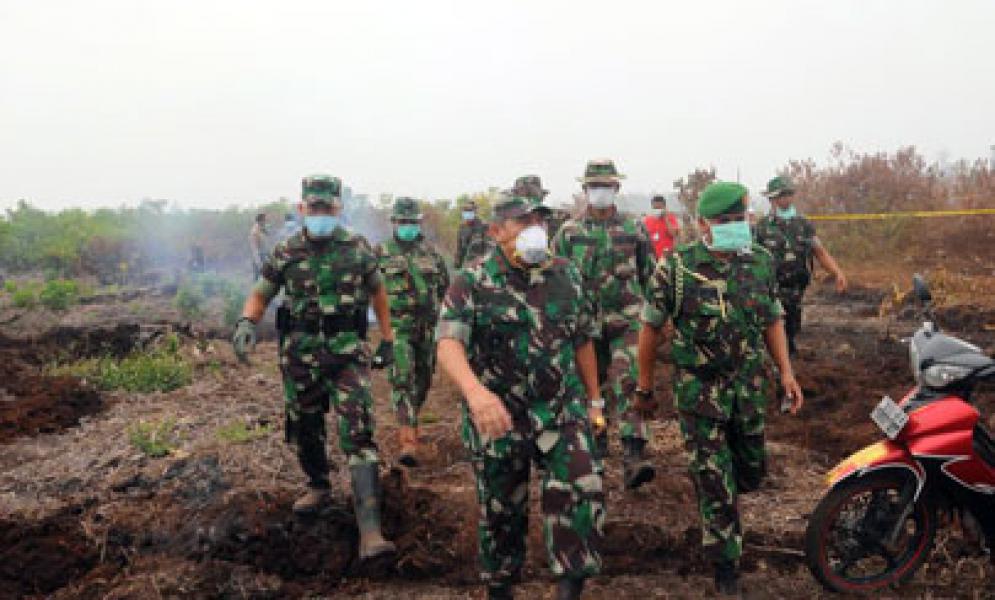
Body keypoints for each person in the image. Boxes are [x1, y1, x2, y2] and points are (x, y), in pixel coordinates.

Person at [635, 181, 804, 595]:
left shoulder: (760, 261)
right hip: (699, 391)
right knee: (714, 479)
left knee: (750, 471)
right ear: (703, 224)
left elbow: (772, 319)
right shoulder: (677, 268)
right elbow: (649, 329)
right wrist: (644, 387)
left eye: (739, 218)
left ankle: (728, 497)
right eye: (725, 220)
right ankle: (726, 567)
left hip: (748, 388)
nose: (734, 225)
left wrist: (786, 372)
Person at [436, 193, 605, 600]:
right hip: (499, 415)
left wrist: (595, 401)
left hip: (561, 410)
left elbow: (582, 339)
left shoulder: (567, 274)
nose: (535, 230)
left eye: (539, 222)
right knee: (501, 515)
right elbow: (448, 343)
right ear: (496, 232)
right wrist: (475, 394)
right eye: (523, 222)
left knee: (581, 491)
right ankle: (500, 587)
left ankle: (569, 588)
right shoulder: (472, 281)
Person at [231, 174, 397, 567]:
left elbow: (378, 292)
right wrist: (246, 322)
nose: (321, 213)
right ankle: (318, 485)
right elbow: (261, 292)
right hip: (300, 355)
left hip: (347, 353)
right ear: (302, 208)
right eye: (314, 206)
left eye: (327, 207)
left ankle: (370, 531)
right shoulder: (286, 251)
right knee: (305, 426)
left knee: (358, 432)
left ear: (338, 209)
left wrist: (388, 338)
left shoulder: (357, 248)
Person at [553, 158, 656, 490]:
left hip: (627, 320)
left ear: (616, 188)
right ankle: (593, 452)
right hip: (583, 325)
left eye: (606, 186)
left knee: (629, 380)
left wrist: (655, 318)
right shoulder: (569, 232)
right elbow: (555, 277)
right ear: (585, 189)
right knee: (589, 386)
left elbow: (650, 274)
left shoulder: (634, 228)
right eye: (595, 186)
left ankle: (633, 454)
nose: (601, 191)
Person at [375, 197, 449, 466]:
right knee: (402, 379)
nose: (408, 226)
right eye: (403, 221)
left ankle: (411, 418)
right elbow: (368, 290)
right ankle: (408, 442)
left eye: (412, 222)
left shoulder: (432, 254)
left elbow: (445, 289)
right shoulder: (380, 253)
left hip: (428, 328)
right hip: (398, 329)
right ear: (394, 222)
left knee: (423, 380)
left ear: (419, 223)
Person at [755, 176, 847, 355]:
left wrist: (837, 272)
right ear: (772, 199)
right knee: (774, 323)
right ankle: (777, 355)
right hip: (772, 288)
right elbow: (753, 257)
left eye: (789, 194)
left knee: (792, 324)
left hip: (796, 288)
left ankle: (788, 352)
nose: (787, 199)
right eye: (782, 195)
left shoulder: (803, 224)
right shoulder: (762, 227)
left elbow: (819, 251)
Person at [455, 199, 491, 268]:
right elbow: (460, 250)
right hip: (469, 264)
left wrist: (484, 259)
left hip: (483, 263)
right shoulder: (462, 228)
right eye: (465, 211)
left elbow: (490, 246)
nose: (467, 214)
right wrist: (457, 265)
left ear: (474, 212)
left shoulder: (483, 226)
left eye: (470, 211)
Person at [643, 194, 681, 259]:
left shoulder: (671, 218)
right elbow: (645, 236)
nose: (657, 210)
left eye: (659, 208)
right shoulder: (647, 220)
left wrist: (666, 219)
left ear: (664, 207)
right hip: (653, 256)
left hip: (668, 255)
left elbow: (673, 234)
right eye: (655, 208)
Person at [249, 212, 269, 280]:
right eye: (265, 220)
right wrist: (259, 263)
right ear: (261, 221)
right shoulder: (255, 231)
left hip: (263, 257)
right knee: (257, 278)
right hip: (258, 258)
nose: (266, 222)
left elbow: (265, 245)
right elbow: (254, 248)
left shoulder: (261, 229)